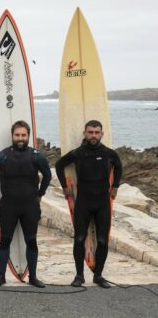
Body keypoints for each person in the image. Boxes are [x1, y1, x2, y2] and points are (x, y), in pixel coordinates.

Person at [0, 120, 51, 288]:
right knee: (5, 240)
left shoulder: (36, 155)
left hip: (30, 206)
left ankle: (33, 277)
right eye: (17, 135)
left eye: (23, 135)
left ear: (28, 136)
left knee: (32, 241)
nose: (20, 138)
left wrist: (40, 194)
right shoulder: (3, 155)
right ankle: (1, 276)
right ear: (12, 136)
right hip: (8, 206)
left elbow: (48, 175)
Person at [55, 120, 122, 289]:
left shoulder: (108, 153)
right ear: (84, 133)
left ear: (101, 134)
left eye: (96, 132)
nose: (93, 135)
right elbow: (59, 165)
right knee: (79, 239)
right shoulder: (78, 153)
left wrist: (116, 186)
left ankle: (98, 276)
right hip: (83, 202)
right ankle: (79, 276)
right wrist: (64, 186)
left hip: (102, 203)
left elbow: (119, 166)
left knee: (103, 241)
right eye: (90, 132)